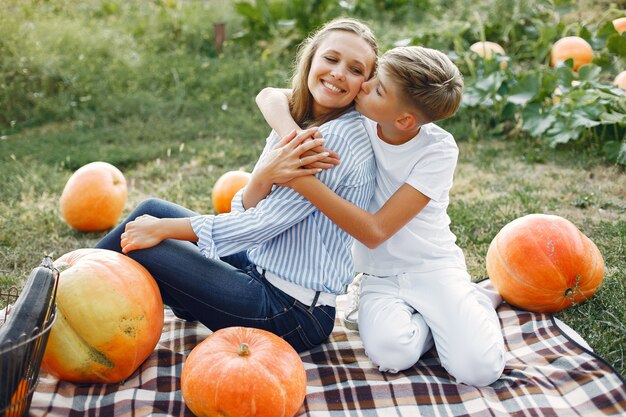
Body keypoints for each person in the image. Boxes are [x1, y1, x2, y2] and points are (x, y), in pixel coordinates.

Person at [95, 18, 379, 353]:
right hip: (260, 266)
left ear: (365, 83)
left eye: (355, 69)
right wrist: (262, 176)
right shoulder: (301, 119)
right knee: (150, 211)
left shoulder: (331, 142)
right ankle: (161, 294)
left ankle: (62, 290)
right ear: (312, 59)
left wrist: (165, 229)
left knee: (148, 239)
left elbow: (255, 225)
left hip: (292, 312)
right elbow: (253, 206)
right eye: (331, 59)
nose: (338, 73)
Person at [253, 46, 506, 386]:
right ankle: (444, 323)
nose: (364, 85)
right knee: (391, 356)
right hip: (380, 276)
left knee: (479, 372)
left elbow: (375, 231)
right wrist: (292, 138)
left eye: (378, 88)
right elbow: (270, 96)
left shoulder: (437, 150)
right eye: (372, 77)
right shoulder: (358, 118)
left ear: (403, 120)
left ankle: (471, 303)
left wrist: (297, 176)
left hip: (433, 268)